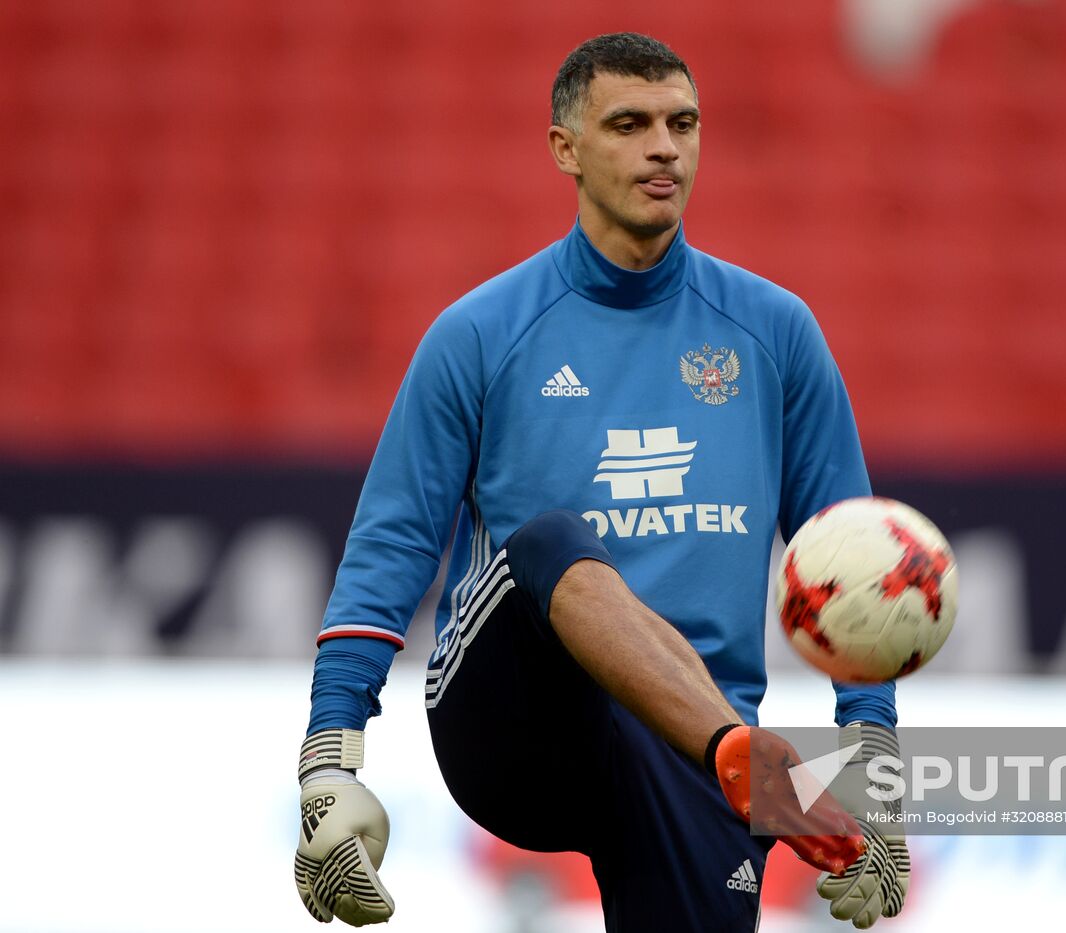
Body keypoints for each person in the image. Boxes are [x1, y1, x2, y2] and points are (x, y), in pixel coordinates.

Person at [292, 32, 908, 931]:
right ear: (565, 149)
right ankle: (737, 753)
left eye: (683, 123)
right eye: (629, 124)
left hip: (693, 752)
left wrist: (875, 775)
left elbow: (853, 571)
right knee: (550, 540)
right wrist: (328, 765)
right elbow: (389, 546)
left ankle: (729, 754)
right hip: (517, 724)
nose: (665, 146)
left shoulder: (776, 333)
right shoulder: (480, 334)